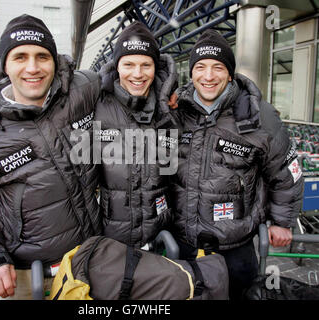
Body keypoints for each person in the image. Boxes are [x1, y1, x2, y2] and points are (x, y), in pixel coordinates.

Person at [0, 14, 101, 299]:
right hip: (32, 278)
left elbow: (127, 76)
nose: (33, 67)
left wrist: (167, 94)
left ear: (54, 60)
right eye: (20, 57)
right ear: (5, 65)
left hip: (93, 261)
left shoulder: (84, 89)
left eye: (42, 56)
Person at [170, 29, 303, 300]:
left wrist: (282, 221)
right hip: (184, 243)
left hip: (236, 249)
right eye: (200, 67)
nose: (208, 76)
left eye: (218, 67)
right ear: (191, 72)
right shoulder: (176, 111)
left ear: (230, 73)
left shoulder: (259, 115)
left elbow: (285, 171)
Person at [94, 21, 178, 248]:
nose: (138, 74)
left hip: (161, 240)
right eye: (128, 64)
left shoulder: (170, 108)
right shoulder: (95, 105)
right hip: (110, 242)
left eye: (146, 65)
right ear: (116, 66)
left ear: (155, 67)